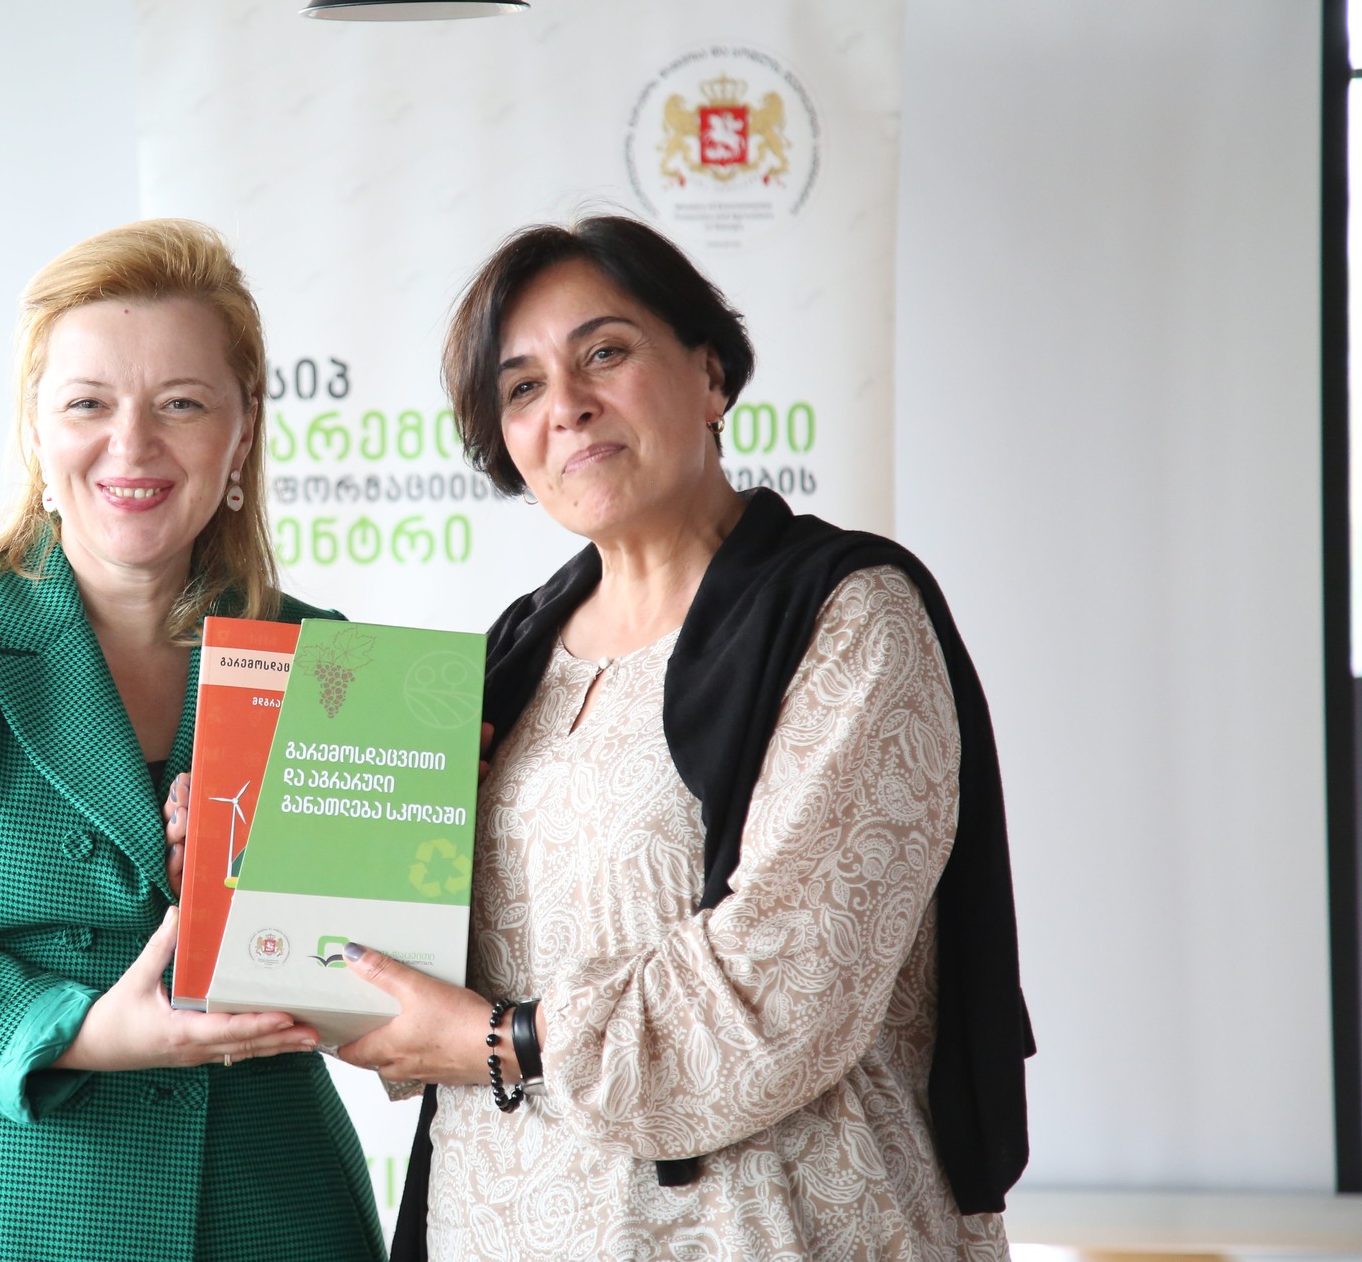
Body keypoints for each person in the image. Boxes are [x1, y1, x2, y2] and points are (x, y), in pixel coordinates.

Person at [333, 216, 1031, 1261]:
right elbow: (396, 954)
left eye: (604, 353)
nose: (566, 405)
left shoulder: (846, 617)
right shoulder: (505, 661)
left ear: (710, 375)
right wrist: (249, 862)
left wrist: (500, 1042)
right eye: (521, 387)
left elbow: (776, 998)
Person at [0, 219, 384, 1262]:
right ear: (35, 426)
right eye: (88, 404)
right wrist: (79, 1031)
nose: (133, 445)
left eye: (182, 404)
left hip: (259, 1207)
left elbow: (366, 972)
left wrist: (387, 862)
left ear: (242, 429)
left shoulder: (322, 662)